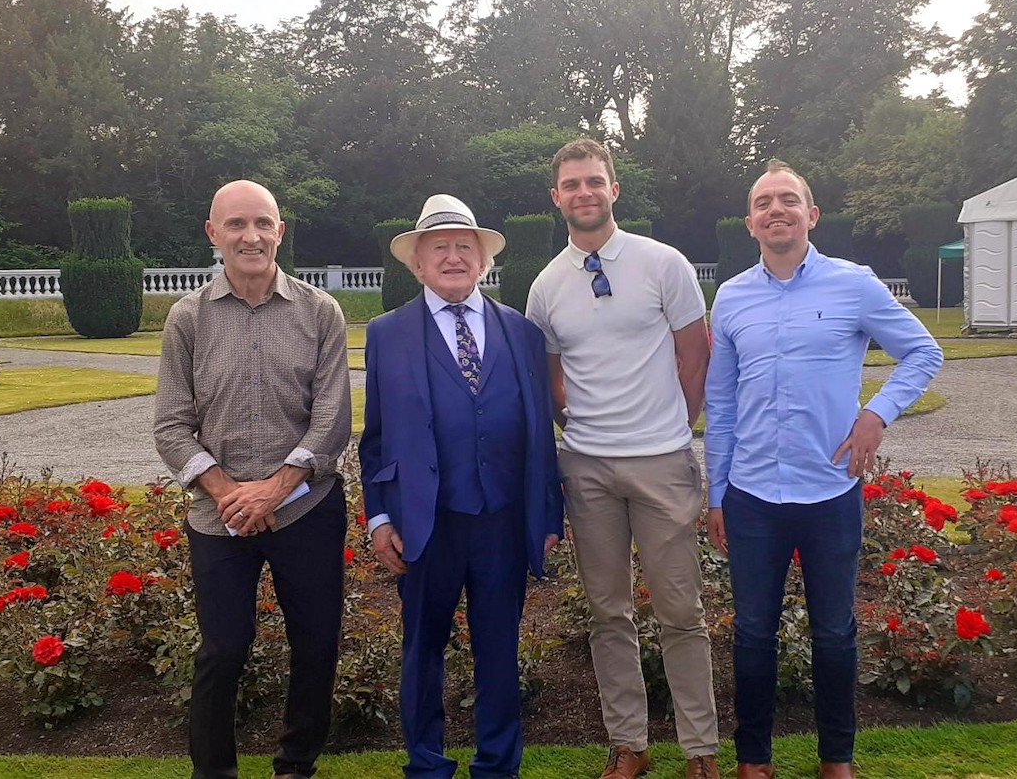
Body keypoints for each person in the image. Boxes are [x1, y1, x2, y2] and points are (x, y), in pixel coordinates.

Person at [704, 160, 944, 779]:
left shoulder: (854, 285)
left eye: (789, 200)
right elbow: (723, 404)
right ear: (751, 221)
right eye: (763, 202)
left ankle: (836, 760)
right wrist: (717, 492)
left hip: (830, 491)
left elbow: (923, 350)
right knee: (753, 632)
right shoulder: (730, 297)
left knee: (835, 633)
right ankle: (753, 760)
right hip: (753, 494)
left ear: (811, 215)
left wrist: (877, 414)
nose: (776, 209)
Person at [526, 139, 719, 779]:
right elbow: (551, 379)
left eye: (594, 182)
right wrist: (581, 424)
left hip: (661, 461)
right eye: (572, 185)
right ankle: (630, 745)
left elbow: (696, 356)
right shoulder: (547, 285)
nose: (584, 192)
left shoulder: (664, 264)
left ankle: (700, 752)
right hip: (587, 468)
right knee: (609, 612)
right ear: (557, 198)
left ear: (614, 189)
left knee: (680, 611)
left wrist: (673, 423)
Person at [359, 194, 563, 779]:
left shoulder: (522, 332)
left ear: (483, 262)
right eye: (439, 248)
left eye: (464, 248)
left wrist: (547, 516)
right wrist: (379, 517)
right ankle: (426, 764)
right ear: (418, 263)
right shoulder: (387, 334)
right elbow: (374, 439)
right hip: (425, 523)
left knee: (499, 651)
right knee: (423, 650)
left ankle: (498, 765)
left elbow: (540, 436)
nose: (453, 257)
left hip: (501, 522)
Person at [154, 179, 352, 779]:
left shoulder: (320, 312)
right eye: (236, 224)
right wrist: (228, 493)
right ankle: (214, 772)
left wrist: (274, 488)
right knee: (222, 650)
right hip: (218, 518)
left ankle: (296, 765)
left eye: (263, 223)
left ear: (279, 232)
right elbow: (171, 426)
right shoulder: (187, 318)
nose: (251, 236)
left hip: (306, 510)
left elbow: (332, 422)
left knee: (315, 647)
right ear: (214, 234)